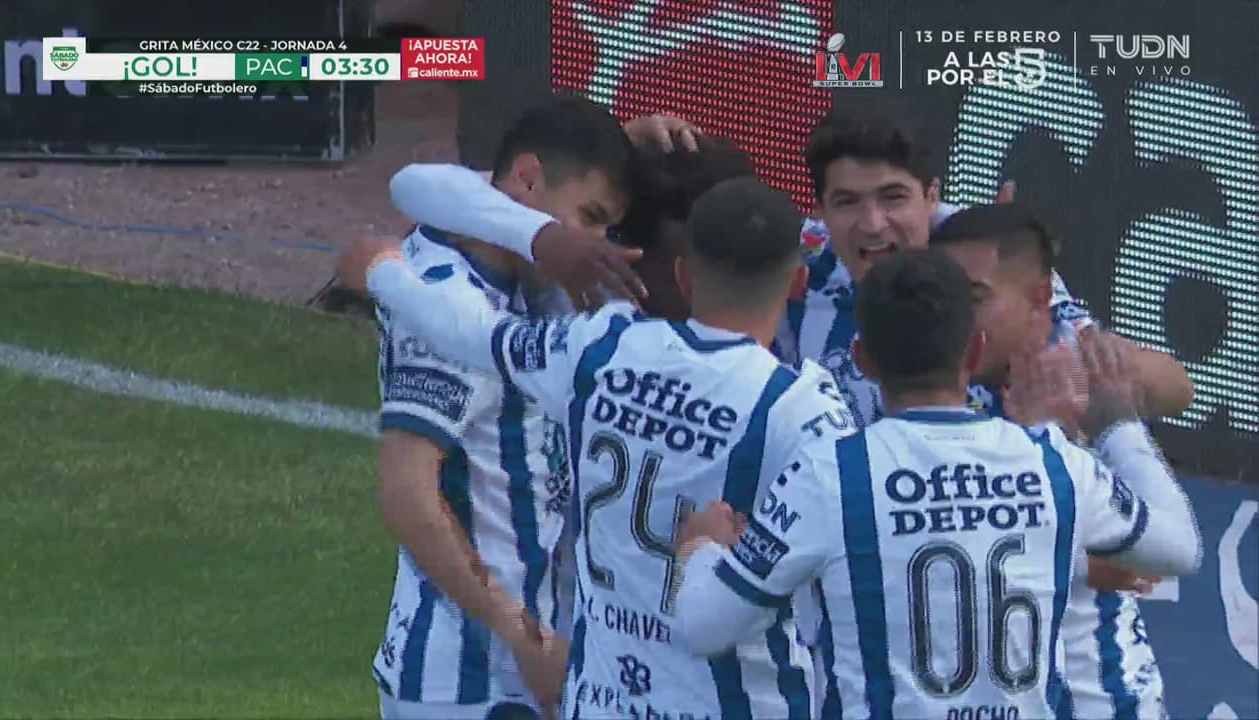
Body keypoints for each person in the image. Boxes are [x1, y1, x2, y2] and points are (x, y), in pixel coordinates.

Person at [349, 177, 856, 720]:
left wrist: (382, 273)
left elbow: (470, 331)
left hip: (601, 704)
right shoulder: (805, 412)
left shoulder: (599, 348)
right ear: (798, 282)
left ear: (684, 275)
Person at [671, 249, 1202, 719]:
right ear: (974, 350)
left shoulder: (830, 474)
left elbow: (704, 626)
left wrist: (701, 546)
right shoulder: (1053, 463)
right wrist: (1117, 423)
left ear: (863, 360)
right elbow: (1179, 548)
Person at [366, 94, 634, 720]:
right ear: (528, 179)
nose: (594, 247)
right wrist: (522, 635)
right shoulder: (451, 303)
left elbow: (442, 188)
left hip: (505, 665)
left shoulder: (497, 268)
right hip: (471, 679)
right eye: (590, 218)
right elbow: (407, 493)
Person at [929, 203, 1194, 720]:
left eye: (975, 299)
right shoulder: (923, 389)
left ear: (1038, 299)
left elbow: (1178, 388)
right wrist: (1079, 562)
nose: (954, 317)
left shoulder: (1076, 359)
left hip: (1104, 697)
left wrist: (1113, 382)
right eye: (945, 297)